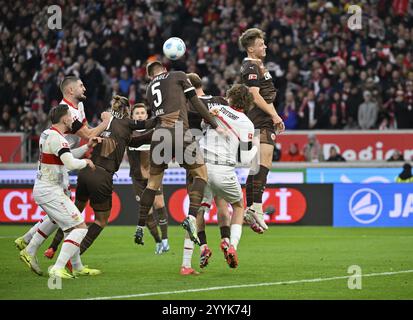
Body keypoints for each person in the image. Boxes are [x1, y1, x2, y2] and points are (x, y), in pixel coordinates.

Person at [14, 76, 111, 259]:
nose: (85, 88)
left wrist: (99, 135)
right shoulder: (67, 113)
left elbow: (87, 129)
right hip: (60, 163)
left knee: (60, 213)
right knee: (64, 214)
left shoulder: (78, 107)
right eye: (81, 86)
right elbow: (88, 132)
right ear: (70, 91)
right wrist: (106, 121)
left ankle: (28, 240)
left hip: (66, 158)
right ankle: (32, 248)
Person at [133, 61, 219, 251]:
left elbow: (157, 117)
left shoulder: (149, 89)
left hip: (159, 135)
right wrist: (213, 123)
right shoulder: (179, 75)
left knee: (153, 184)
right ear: (164, 69)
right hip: (179, 131)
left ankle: (139, 226)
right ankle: (190, 217)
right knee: (200, 175)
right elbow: (195, 101)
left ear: (150, 76)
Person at [19, 105, 100, 279]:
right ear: (64, 119)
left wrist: (86, 148)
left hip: (45, 188)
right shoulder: (58, 138)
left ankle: (76, 266)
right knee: (80, 227)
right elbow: (70, 164)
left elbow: (66, 156)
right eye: (71, 116)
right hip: (51, 191)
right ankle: (57, 267)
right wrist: (87, 162)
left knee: (70, 229)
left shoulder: (48, 134)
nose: (73, 119)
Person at [73, 95, 156, 258]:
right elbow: (149, 123)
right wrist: (167, 116)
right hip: (102, 175)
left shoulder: (105, 122)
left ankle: (53, 247)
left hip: (85, 170)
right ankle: (74, 257)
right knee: (100, 221)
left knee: (74, 215)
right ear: (128, 111)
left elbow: (89, 132)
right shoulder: (126, 123)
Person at [239, 28, 285, 232]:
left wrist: (275, 116)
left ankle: (253, 207)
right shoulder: (250, 66)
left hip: (265, 119)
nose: (264, 46)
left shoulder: (258, 65)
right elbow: (255, 96)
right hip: (259, 120)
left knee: (257, 166)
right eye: (260, 44)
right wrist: (273, 115)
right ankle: (255, 208)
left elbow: (266, 97)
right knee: (262, 164)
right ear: (251, 48)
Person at [127, 103, 169, 254]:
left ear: (146, 115)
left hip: (153, 176)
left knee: (159, 204)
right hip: (138, 179)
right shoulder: (129, 132)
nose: (139, 115)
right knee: (148, 211)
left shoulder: (153, 131)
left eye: (142, 113)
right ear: (132, 116)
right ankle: (158, 241)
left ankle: (165, 239)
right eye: (136, 113)